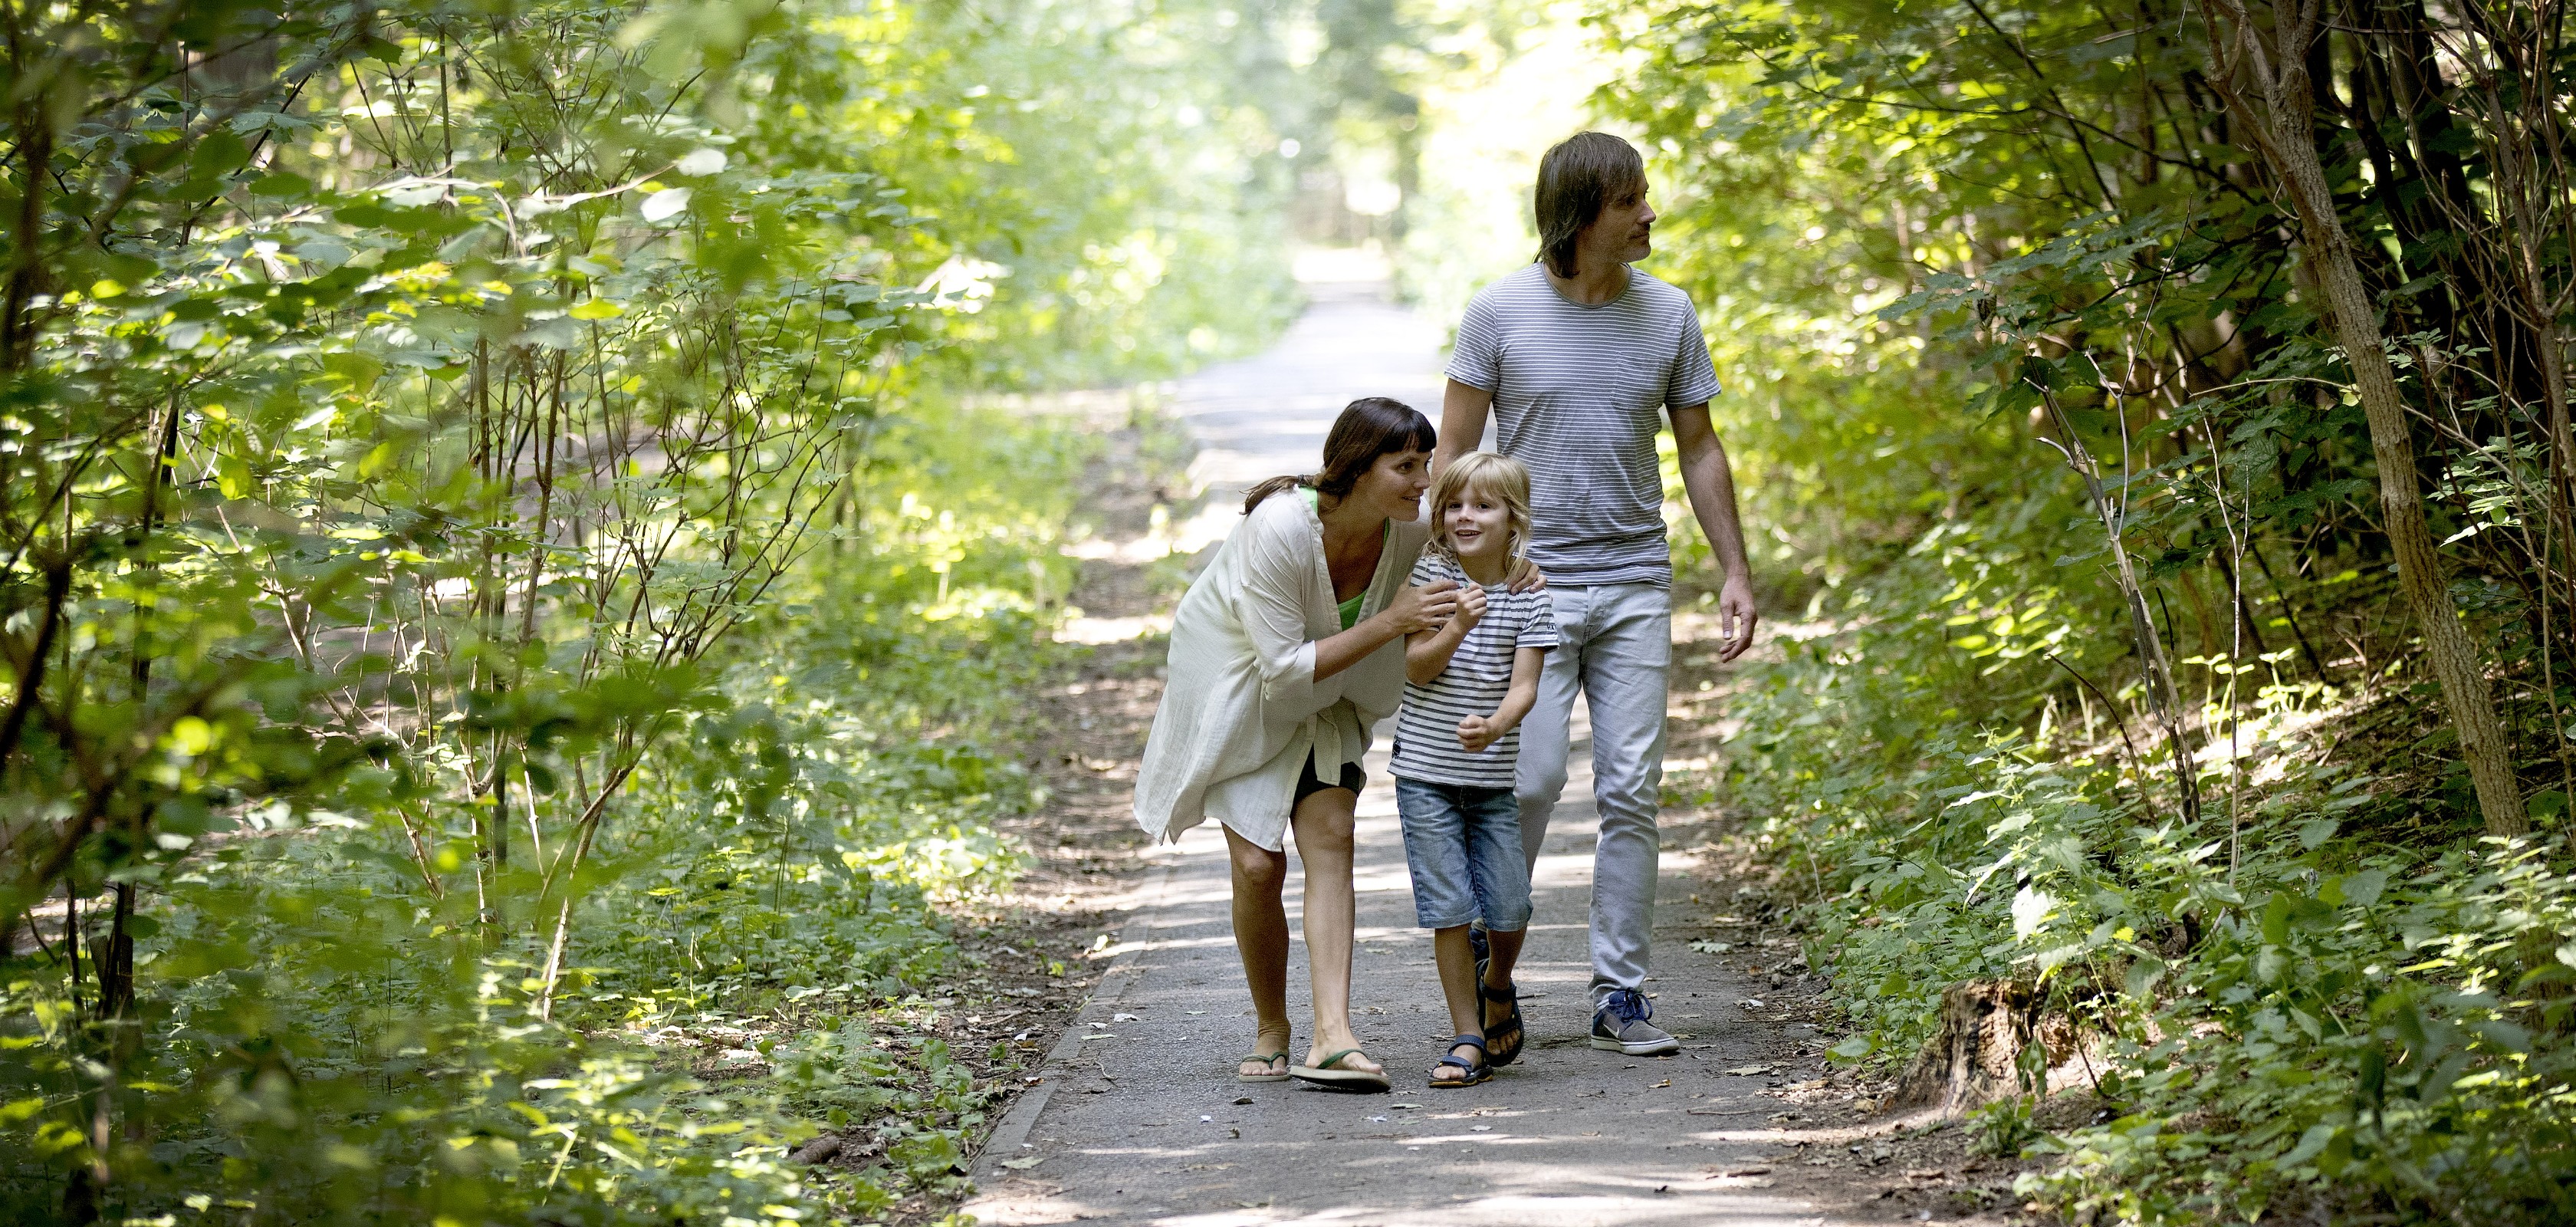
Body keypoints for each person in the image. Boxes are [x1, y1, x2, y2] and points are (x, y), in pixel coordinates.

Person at [1436, 130, 1759, 1058]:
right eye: (1632, 202)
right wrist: (1453, 577)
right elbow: (1453, 457)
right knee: (1528, 783)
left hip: (1632, 584)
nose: (1650, 213)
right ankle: (1497, 971)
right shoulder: (1498, 312)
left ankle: (1620, 991)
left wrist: (1733, 567)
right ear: (1581, 215)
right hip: (1524, 590)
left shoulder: (1669, 313)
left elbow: (1698, 447)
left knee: (1631, 790)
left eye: (1647, 197)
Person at [1133, 397, 1456, 1091]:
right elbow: (1280, 669)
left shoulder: (1411, 529)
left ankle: (1333, 1037)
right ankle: (1272, 1025)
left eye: (1426, 463)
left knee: (1332, 833)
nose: (1423, 480)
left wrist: (1515, 570)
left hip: (1330, 699)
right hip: (1243, 693)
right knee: (1257, 867)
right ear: (1353, 468)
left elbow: (1481, 542)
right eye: (1406, 466)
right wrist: (1393, 620)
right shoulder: (1279, 527)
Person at [1389, 454, 1552, 1087]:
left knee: (1510, 906)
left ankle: (1499, 983)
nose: (1465, 516)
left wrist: (1495, 727)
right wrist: (1458, 622)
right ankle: (1467, 1037)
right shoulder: (1429, 579)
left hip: (1490, 779)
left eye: (1483, 506)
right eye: (1454, 504)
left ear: (1514, 518)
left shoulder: (1532, 591)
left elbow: (1526, 686)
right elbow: (1417, 668)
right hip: (1425, 773)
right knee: (1449, 908)